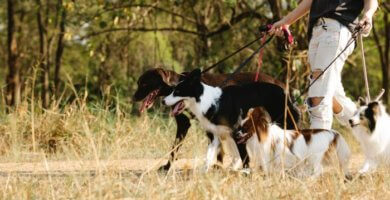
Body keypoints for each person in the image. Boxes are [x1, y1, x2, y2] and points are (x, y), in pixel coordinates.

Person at [270, 0, 378, 129]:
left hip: (336, 29)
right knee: (332, 96)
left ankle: (318, 146)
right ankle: (371, 127)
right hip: (317, 32)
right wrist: (286, 22)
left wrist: (368, 15)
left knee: (318, 97)